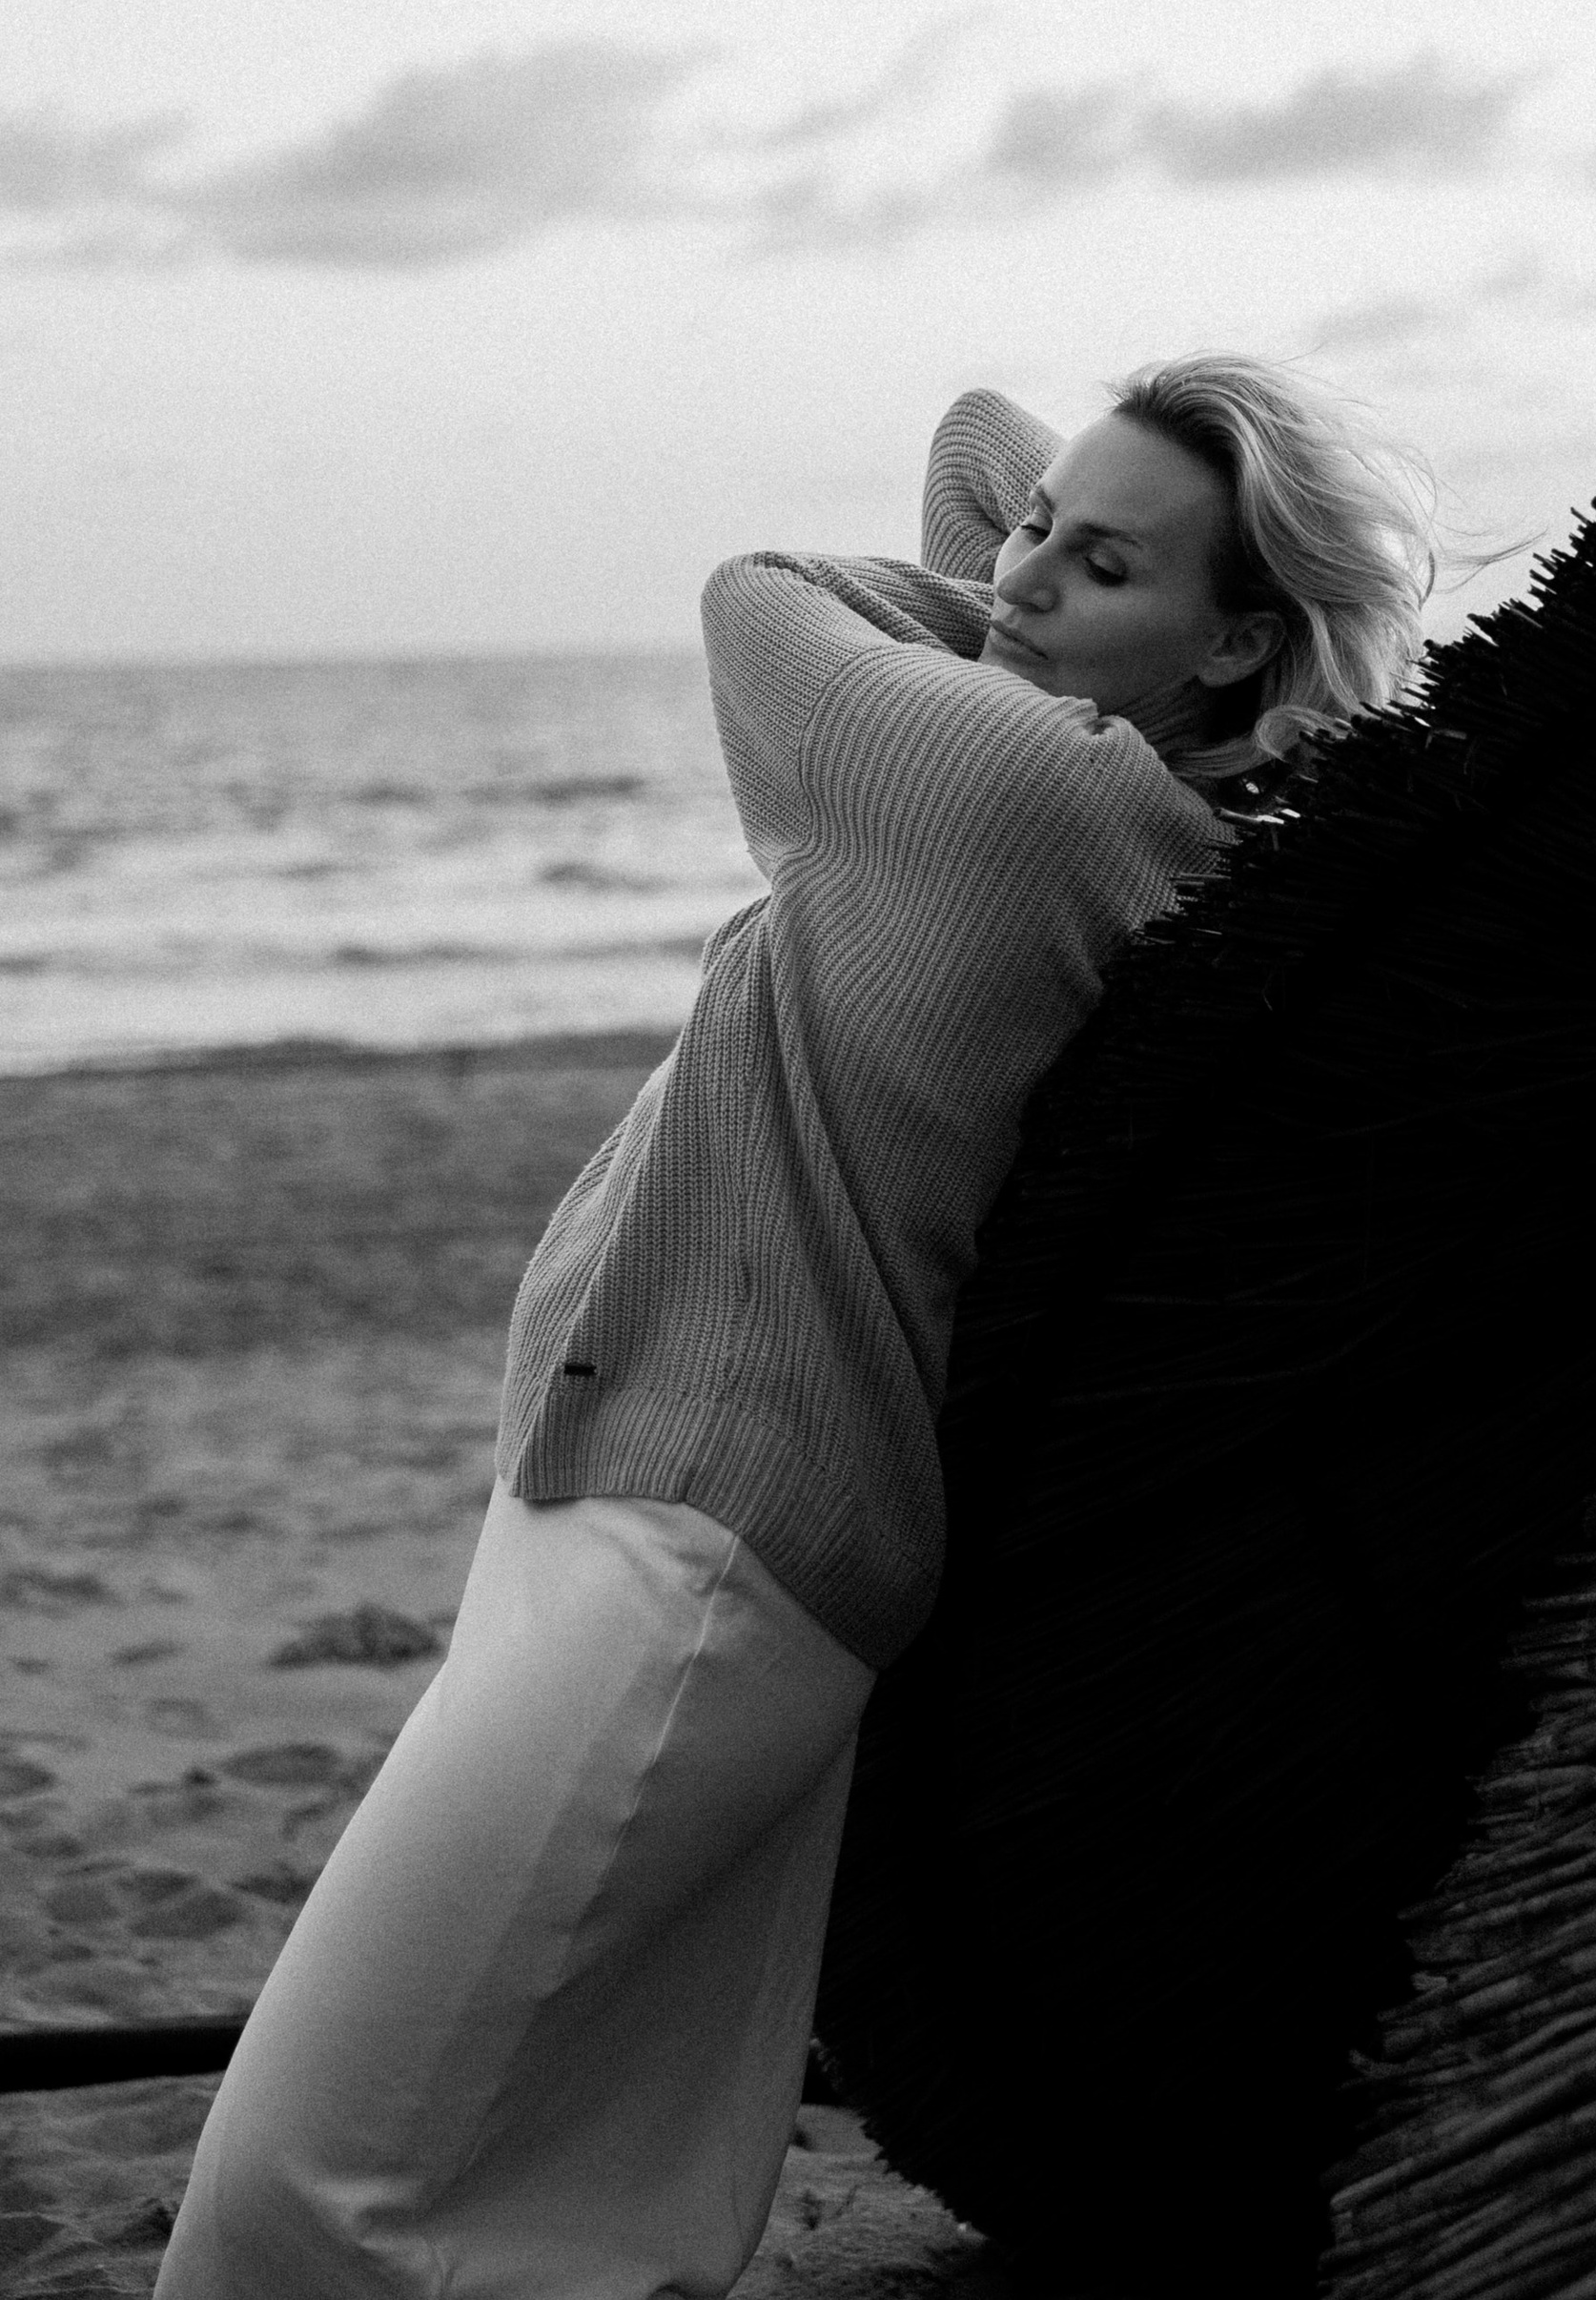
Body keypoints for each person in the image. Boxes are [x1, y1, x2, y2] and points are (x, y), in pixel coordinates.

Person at [156, 355, 1442, 2300]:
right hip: (666, 1498)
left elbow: (757, 585)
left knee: (299, 2176)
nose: (1010, 572)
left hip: (699, 1549)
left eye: (1097, 565)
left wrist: (1044, 613)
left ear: (1238, 636)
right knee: (587, 2180)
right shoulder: (1123, 796)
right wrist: (1093, 588)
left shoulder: (1004, 786)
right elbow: (978, 450)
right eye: (1034, 537)